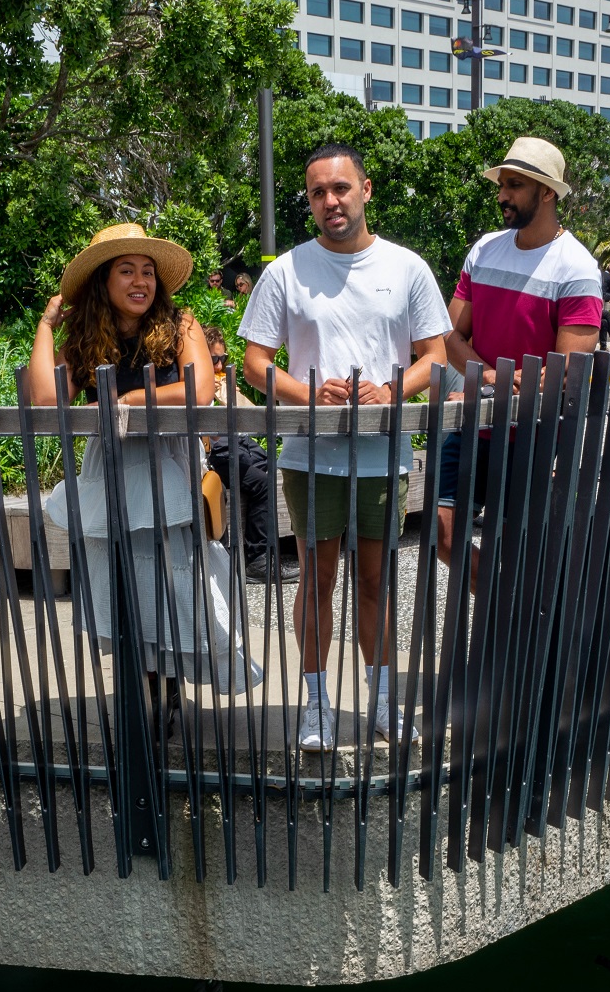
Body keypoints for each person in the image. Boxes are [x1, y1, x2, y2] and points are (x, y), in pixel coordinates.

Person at [239, 141, 450, 749]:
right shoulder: (286, 270)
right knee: (316, 580)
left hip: (383, 455)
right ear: (308, 201)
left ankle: (382, 702)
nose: (330, 201)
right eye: (317, 193)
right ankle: (316, 704)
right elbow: (256, 363)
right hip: (310, 456)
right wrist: (307, 394)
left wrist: (390, 390)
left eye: (340, 188)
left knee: (377, 580)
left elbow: (433, 358)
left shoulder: (407, 268)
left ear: (365, 190)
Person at [29, 223, 253, 688]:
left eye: (148, 272)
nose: (140, 282)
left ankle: (170, 680)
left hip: (168, 461)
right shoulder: (86, 336)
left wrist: (125, 400)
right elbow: (48, 402)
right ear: (104, 282)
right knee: (124, 577)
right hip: (111, 466)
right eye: (126, 271)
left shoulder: (181, 323)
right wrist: (47, 325)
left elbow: (201, 388)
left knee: (177, 575)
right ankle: (146, 683)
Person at [437, 136, 603, 576]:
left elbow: (567, 371)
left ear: (547, 192)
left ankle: (503, 627)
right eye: (502, 184)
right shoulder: (485, 249)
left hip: (531, 436)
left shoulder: (577, 267)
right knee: (443, 535)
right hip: (476, 422)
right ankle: (499, 609)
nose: (502, 195)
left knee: (516, 555)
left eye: (514, 185)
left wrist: (500, 383)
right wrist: (491, 376)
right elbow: (450, 337)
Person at [204, 327, 271, 581]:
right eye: (213, 360)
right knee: (262, 484)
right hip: (215, 451)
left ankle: (260, 548)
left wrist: (232, 396)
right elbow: (211, 437)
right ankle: (257, 560)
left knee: (267, 462)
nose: (220, 364)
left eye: (224, 358)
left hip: (235, 444)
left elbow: (250, 419)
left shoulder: (220, 382)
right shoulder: (200, 386)